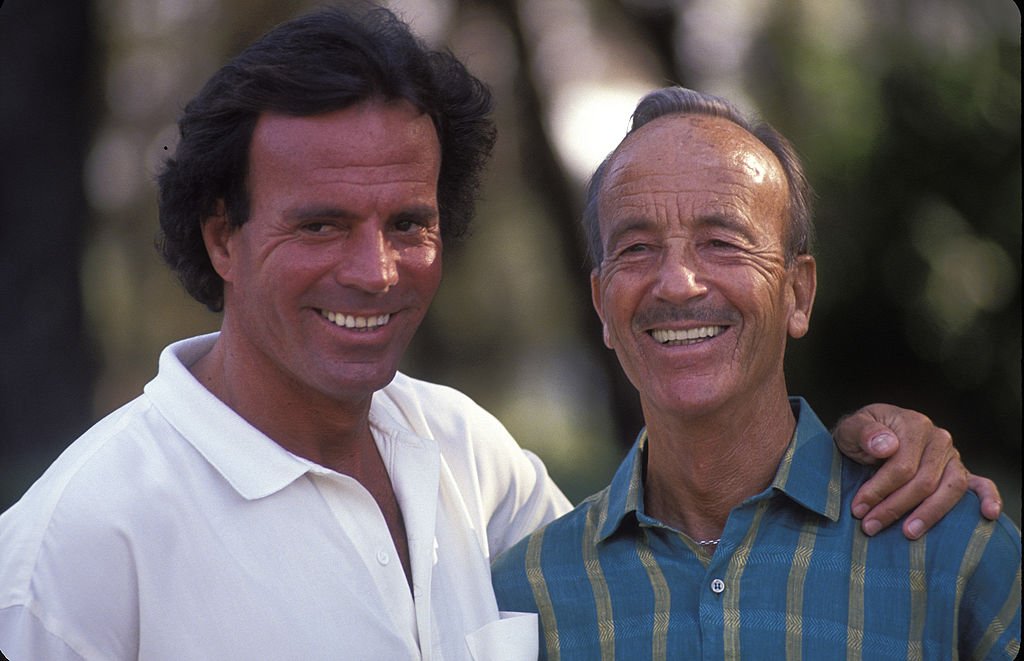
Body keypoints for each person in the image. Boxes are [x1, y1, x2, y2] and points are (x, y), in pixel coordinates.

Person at [0, 8, 1004, 661]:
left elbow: (659, 551)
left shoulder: (466, 457)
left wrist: (873, 440)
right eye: (320, 224)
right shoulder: (71, 548)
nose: (374, 270)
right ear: (224, 235)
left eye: (409, 223)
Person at [491, 86, 1021, 660]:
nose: (677, 283)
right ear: (601, 306)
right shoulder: (525, 598)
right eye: (637, 248)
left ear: (798, 293)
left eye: (721, 243)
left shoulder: (950, 550)